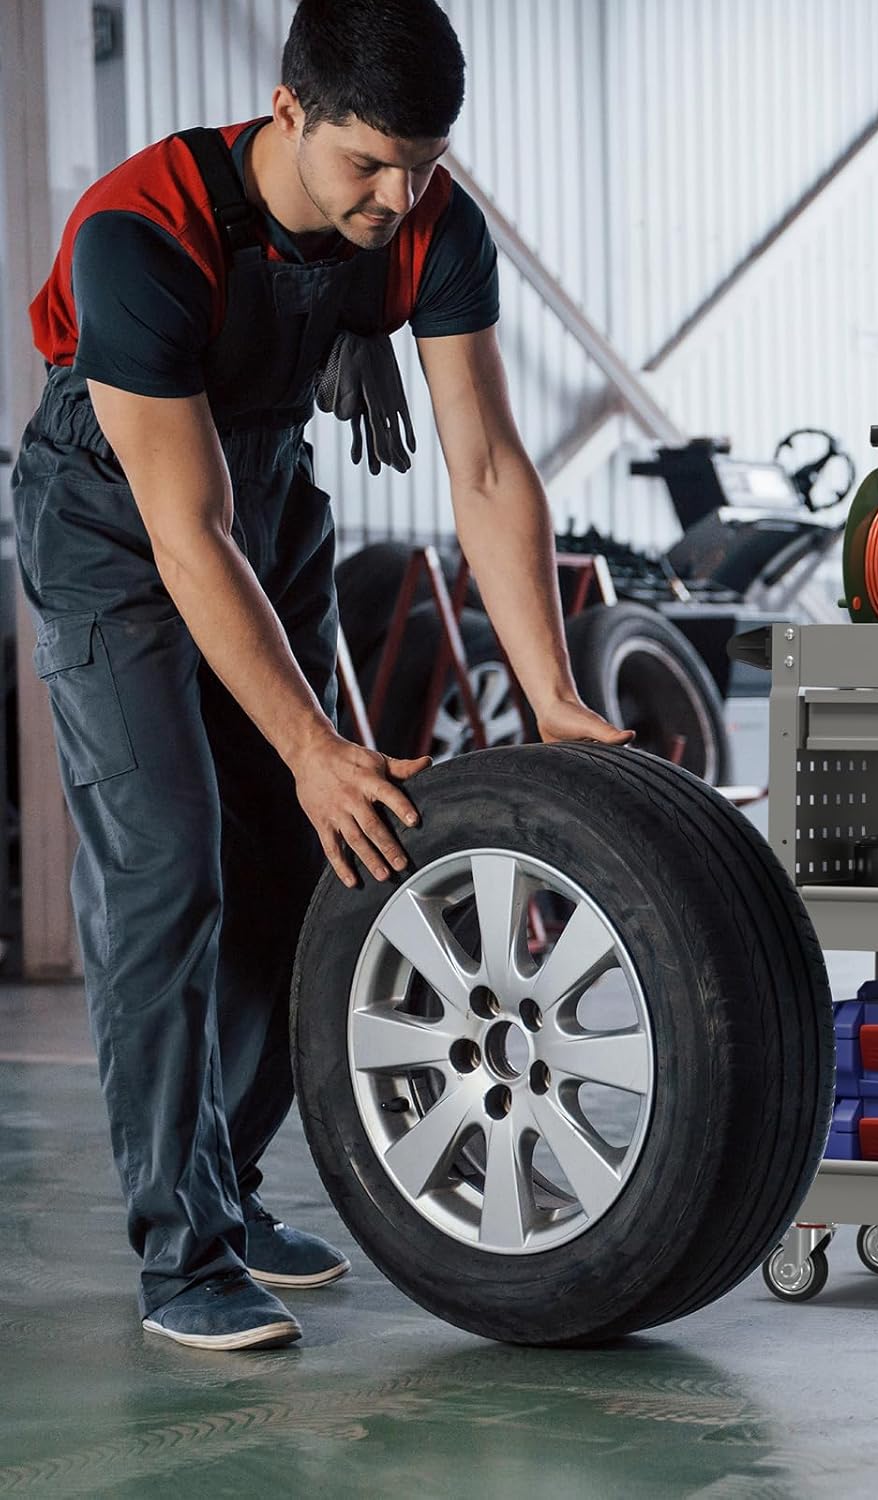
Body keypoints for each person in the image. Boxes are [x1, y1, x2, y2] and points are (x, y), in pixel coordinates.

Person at [10, 0, 632, 1351]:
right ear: (287, 109)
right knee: (167, 863)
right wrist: (311, 746)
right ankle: (180, 1254)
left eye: (424, 165)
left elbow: (485, 462)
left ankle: (225, 1192)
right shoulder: (140, 232)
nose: (397, 200)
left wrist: (552, 692)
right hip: (118, 521)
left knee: (306, 865)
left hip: (268, 496)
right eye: (369, 165)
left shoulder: (429, 223)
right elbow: (187, 531)